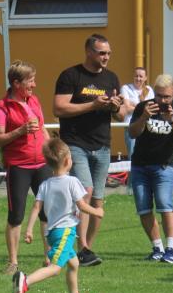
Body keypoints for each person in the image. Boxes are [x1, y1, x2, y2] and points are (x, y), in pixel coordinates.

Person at [53, 34, 127, 267]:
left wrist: (116, 107)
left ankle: (86, 250)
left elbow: (121, 115)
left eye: (109, 53)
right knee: (84, 193)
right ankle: (82, 247)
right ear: (89, 52)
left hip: (102, 145)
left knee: (97, 201)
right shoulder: (70, 75)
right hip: (76, 144)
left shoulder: (111, 78)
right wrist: (92, 105)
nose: (106, 57)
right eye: (102, 53)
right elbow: (59, 108)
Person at [11, 137, 103, 293]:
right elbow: (82, 205)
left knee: (74, 264)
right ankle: (25, 281)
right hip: (65, 232)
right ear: (68, 161)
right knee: (54, 268)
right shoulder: (72, 182)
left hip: (52, 232)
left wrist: (29, 229)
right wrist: (97, 211)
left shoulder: (45, 184)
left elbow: (36, 207)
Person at [127, 73, 173, 263]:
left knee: (165, 206)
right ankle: (157, 248)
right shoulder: (143, 107)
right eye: (158, 96)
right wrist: (144, 117)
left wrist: (172, 121)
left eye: (167, 97)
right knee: (144, 209)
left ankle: (171, 250)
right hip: (140, 166)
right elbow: (132, 133)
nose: (162, 100)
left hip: (163, 167)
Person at [0, 61, 48, 275]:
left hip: (42, 163)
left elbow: (42, 129)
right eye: (30, 81)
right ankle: (13, 262)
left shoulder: (34, 100)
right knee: (16, 215)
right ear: (16, 83)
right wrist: (20, 131)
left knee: (47, 212)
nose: (34, 85)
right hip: (19, 166)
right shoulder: (3, 107)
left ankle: (49, 257)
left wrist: (54, 152)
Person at [120, 66, 154, 158]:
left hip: (147, 126)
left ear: (145, 78)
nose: (138, 78)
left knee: (148, 155)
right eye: (136, 76)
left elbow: (151, 108)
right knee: (133, 156)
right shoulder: (126, 88)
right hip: (131, 126)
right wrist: (143, 107)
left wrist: (133, 104)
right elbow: (127, 108)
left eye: (141, 76)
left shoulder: (149, 89)